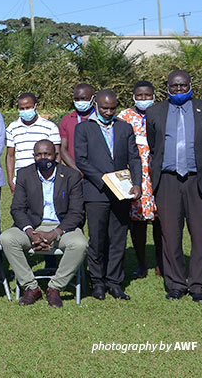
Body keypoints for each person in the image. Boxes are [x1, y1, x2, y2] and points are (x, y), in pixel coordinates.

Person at [146, 69, 202, 303]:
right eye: (174, 86)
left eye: (183, 86)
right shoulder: (155, 112)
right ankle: (175, 284)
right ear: (168, 88)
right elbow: (154, 147)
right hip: (168, 181)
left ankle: (199, 285)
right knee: (170, 235)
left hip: (198, 181)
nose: (179, 89)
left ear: (191, 85)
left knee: (200, 235)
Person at [0, 140, 87, 308]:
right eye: (39, 155)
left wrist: (55, 233)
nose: (43, 158)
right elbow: (17, 209)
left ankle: (55, 287)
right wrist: (30, 232)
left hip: (62, 227)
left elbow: (76, 213)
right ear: (34, 156)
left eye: (47, 154)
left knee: (80, 244)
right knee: (7, 238)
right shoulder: (25, 175)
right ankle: (31, 287)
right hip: (34, 226)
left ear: (55, 156)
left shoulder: (71, 176)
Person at [76, 89, 142, 300]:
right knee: (97, 238)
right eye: (104, 108)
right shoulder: (84, 128)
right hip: (97, 192)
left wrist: (137, 184)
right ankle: (97, 282)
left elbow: (135, 159)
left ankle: (114, 282)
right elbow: (82, 160)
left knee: (118, 238)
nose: (108, 112)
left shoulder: (124, 128)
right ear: (96, 105)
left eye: (112, 108)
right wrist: (103, 180)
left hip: (121, 193)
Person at [116, 81, 161, 279]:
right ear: (133, 96)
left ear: (154, 96)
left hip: (158, 175)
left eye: (147, 95)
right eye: (140, 96)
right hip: (134, 176)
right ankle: (141, 264)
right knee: (137, 222)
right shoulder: (124, 117)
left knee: (161, 222)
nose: (144, 99)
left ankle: (161, 264)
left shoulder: (162, 112)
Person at [4, 92, 61, 193]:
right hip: (21, 180)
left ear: (36, 106)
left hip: (45, 178)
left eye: (28, 107)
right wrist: (10, 181)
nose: (25, 111)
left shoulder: (50, 127)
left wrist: (57, 177)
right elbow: (10, 156)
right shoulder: (12, 128)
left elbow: (57, 154)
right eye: (22, 108)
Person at [59, 83, 97, 172]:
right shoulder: (66, 120)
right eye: (77, 99)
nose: (80, 102)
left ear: (93, 99)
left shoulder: (100, 119)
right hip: (75, 172)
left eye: (84, 99)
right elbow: (63, 149)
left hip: (98, 172)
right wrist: (77, 171)